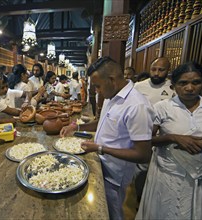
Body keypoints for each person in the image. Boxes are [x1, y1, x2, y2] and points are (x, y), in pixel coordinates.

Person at [60, 57, 155, 220]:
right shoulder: (112, 96)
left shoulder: (137, 106)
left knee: (112, 212)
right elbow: (102, 123)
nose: (97, 91)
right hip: (101, 163)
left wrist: (100, 148)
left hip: (115, 173)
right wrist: (76, 127)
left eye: (98, 86)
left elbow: (143, 154)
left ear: (111, 79)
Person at [136, 62, 202, 219]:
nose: (190, 88)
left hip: (198, 180)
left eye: (196, 82)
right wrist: (172, 138)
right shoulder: (162, 107)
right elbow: (145, 140)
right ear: (173, 86)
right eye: (183, 83)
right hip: (166, 176)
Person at [133, 57, 176, 201]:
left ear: (167, 71)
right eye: (154, 69)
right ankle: (139, 198)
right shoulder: (138, 86)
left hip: (163, 137)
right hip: (143, 135)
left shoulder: (173, 88)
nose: (156, 73)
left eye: (161, 70)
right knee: (142, 169)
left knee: (159, 171)